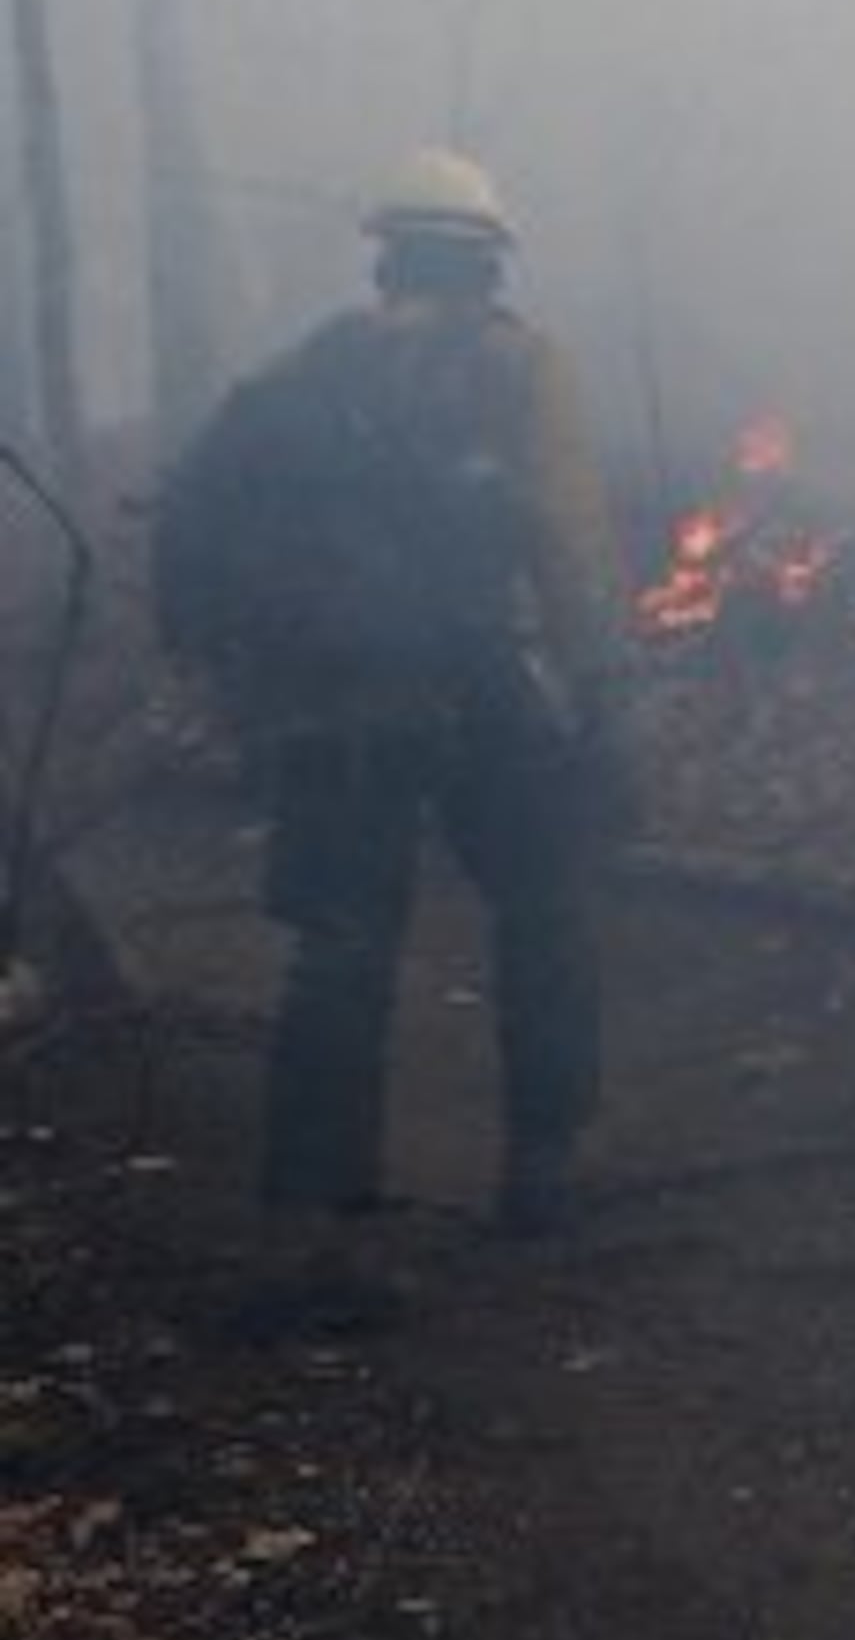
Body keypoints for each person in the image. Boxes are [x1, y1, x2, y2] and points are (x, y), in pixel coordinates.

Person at [156, 144, 633, 1248]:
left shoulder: (308, 371)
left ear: (387, 258)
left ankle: (312, 1228)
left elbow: (203, 517)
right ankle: (545, 1166)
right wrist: (603, 682)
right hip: (471, 676)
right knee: (546, 899)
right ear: (487, 264)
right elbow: (565, 535)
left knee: (343, 949)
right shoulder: (520, 366)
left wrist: (233, 684)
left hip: (333, 700)